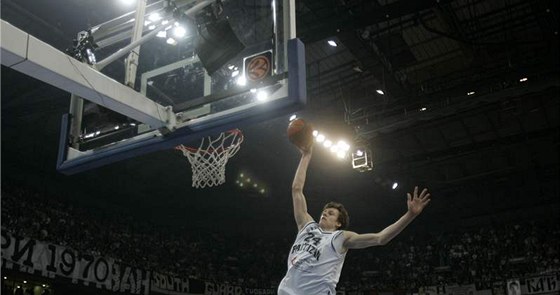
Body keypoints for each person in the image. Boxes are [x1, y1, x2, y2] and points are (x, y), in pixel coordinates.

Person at [278, 147, 431, 294]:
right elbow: (296, 189)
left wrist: (410, 215)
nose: (324, 214)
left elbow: (381, 238)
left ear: (339, 223)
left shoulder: (340, 238)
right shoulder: (306, 225)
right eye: (324, 212)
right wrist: (306, 155)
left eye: (330, 213)